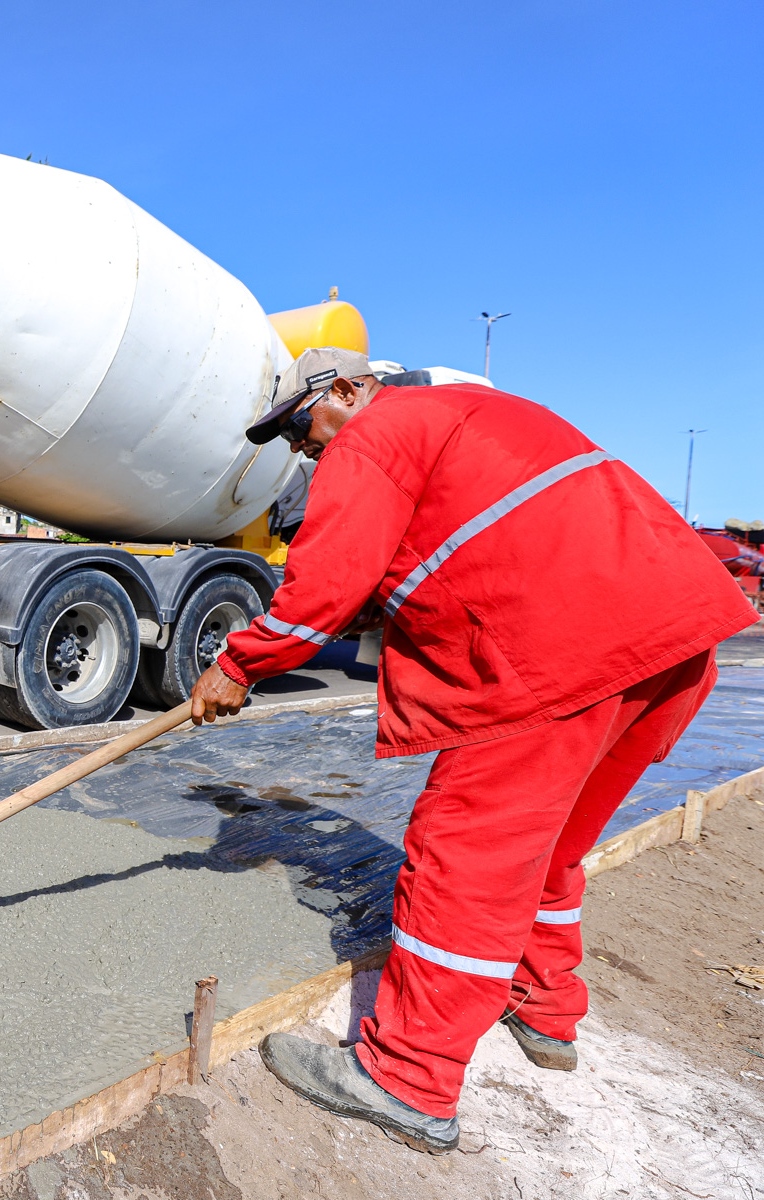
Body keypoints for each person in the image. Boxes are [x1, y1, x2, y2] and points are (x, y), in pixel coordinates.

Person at [190, 347, 758, 1153]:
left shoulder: (374, 435)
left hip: (558, 657)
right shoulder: (476, 417)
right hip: (669, 637)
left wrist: (238, 662)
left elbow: (319, 591)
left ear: (350, 390)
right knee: (552, 847)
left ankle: (407, 1079)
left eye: (298, 425)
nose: (300, 448)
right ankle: (545, 1007)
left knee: (465, 857)